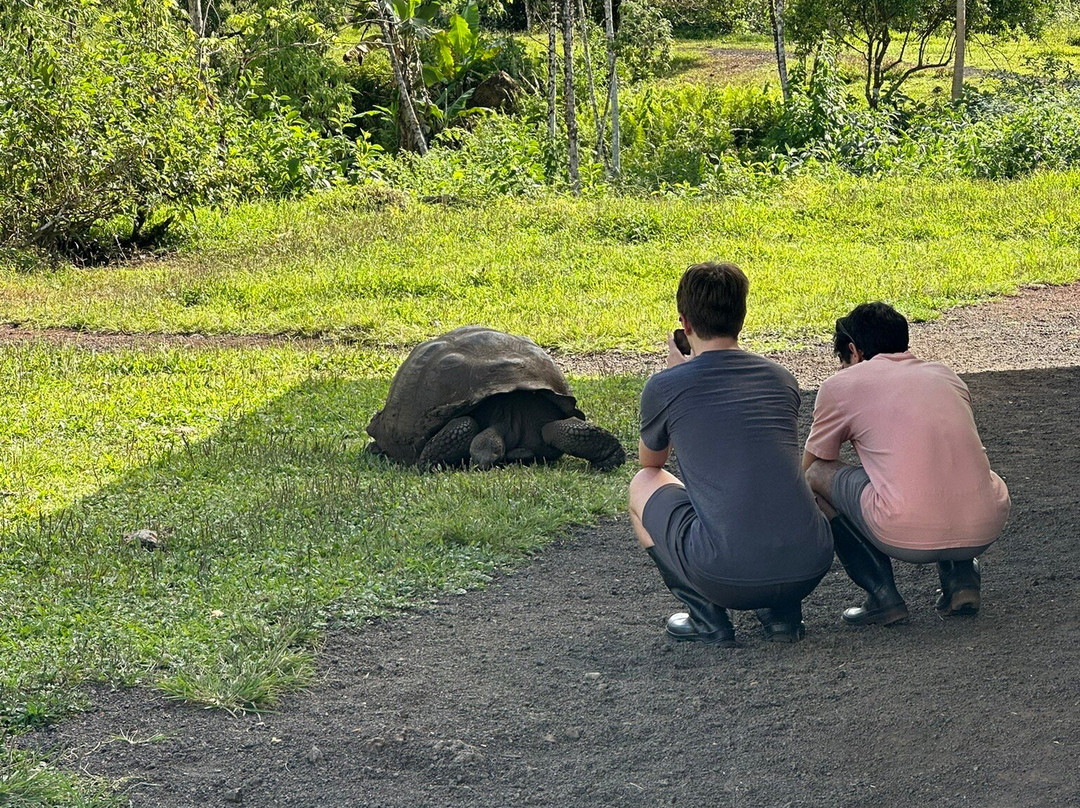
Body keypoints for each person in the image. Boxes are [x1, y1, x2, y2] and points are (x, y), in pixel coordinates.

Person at [628, 262, 834, 645]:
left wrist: (676, 378)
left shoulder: (665, 386)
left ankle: (707, 618)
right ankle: (783, 616)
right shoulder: (781, 378)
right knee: (771, 480)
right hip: (810, 565)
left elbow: (651, 462)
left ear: (685, 325)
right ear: (742, 317)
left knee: (643, 484)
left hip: (726, 575)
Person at [803, 302, 1011, 625]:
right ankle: (962, 581)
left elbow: (811, 467)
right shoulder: (946, 376)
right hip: (985, 522)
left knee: (817, 476)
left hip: (905, 531)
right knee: (950, 463)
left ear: (854, 351)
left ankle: (882, 595)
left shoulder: (841, 386)